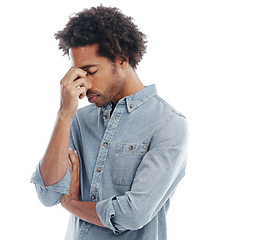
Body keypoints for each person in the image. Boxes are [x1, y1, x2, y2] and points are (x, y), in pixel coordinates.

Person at [30, 5, 189, 240]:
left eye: (90, 71)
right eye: (77, 74)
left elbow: (132, 214)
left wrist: (72, 204)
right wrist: (64, 113)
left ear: (122, 59)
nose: (83, 84)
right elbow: (48, 194)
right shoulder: (79, 121)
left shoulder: (167, 124)